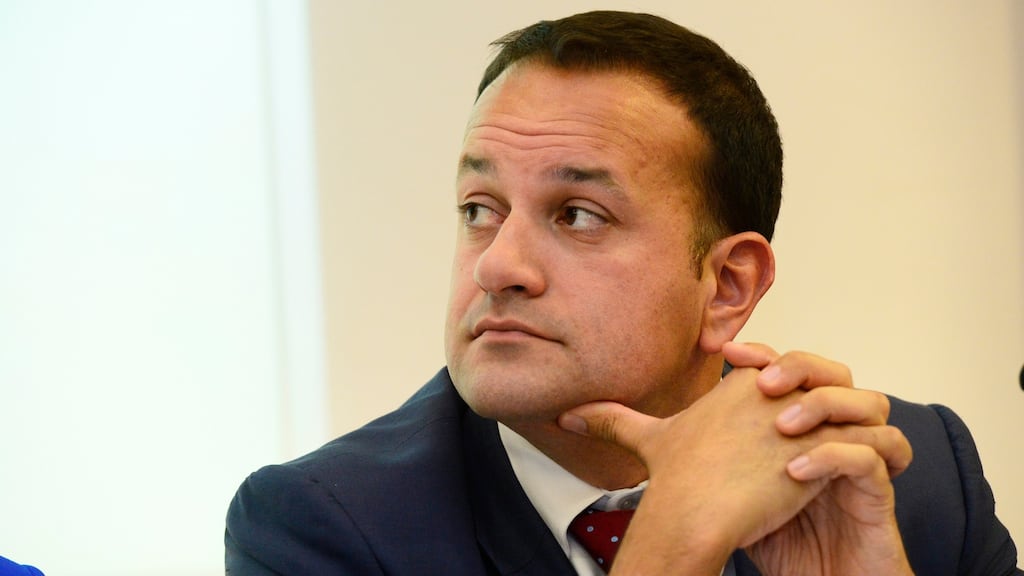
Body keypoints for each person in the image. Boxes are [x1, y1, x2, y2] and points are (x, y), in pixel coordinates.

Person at [225, 11, 1020, 575]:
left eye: (577, 215)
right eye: (479, 210)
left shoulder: (904, 479)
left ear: (727, 285)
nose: (498, 265)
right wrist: (672, 540)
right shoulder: (326, 527)